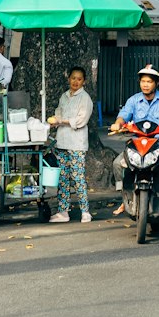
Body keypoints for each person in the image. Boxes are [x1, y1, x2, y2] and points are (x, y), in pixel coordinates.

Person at [108, 65, 159, 214]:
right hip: (137, 144)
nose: (145, 84)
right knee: (117, 164)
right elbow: (124, 115)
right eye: (143, 81)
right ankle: (125, 196)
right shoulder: (134, 100)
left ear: (156, 83)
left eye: (149, 81)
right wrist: (118, 124)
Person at [47, 66, 94, 224]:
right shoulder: (64, 96)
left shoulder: (85, 98)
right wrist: (55, 122)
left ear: (84, 81)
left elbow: (81, 120)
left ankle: (85, 211)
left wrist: (62, 121)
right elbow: (59, 113)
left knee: (78, 177)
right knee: (63, 178)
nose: (76, 81)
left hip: (77, 143)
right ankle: (63, 211)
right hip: (62, 141)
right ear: (69, 79)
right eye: (73, 78)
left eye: (79, 79)